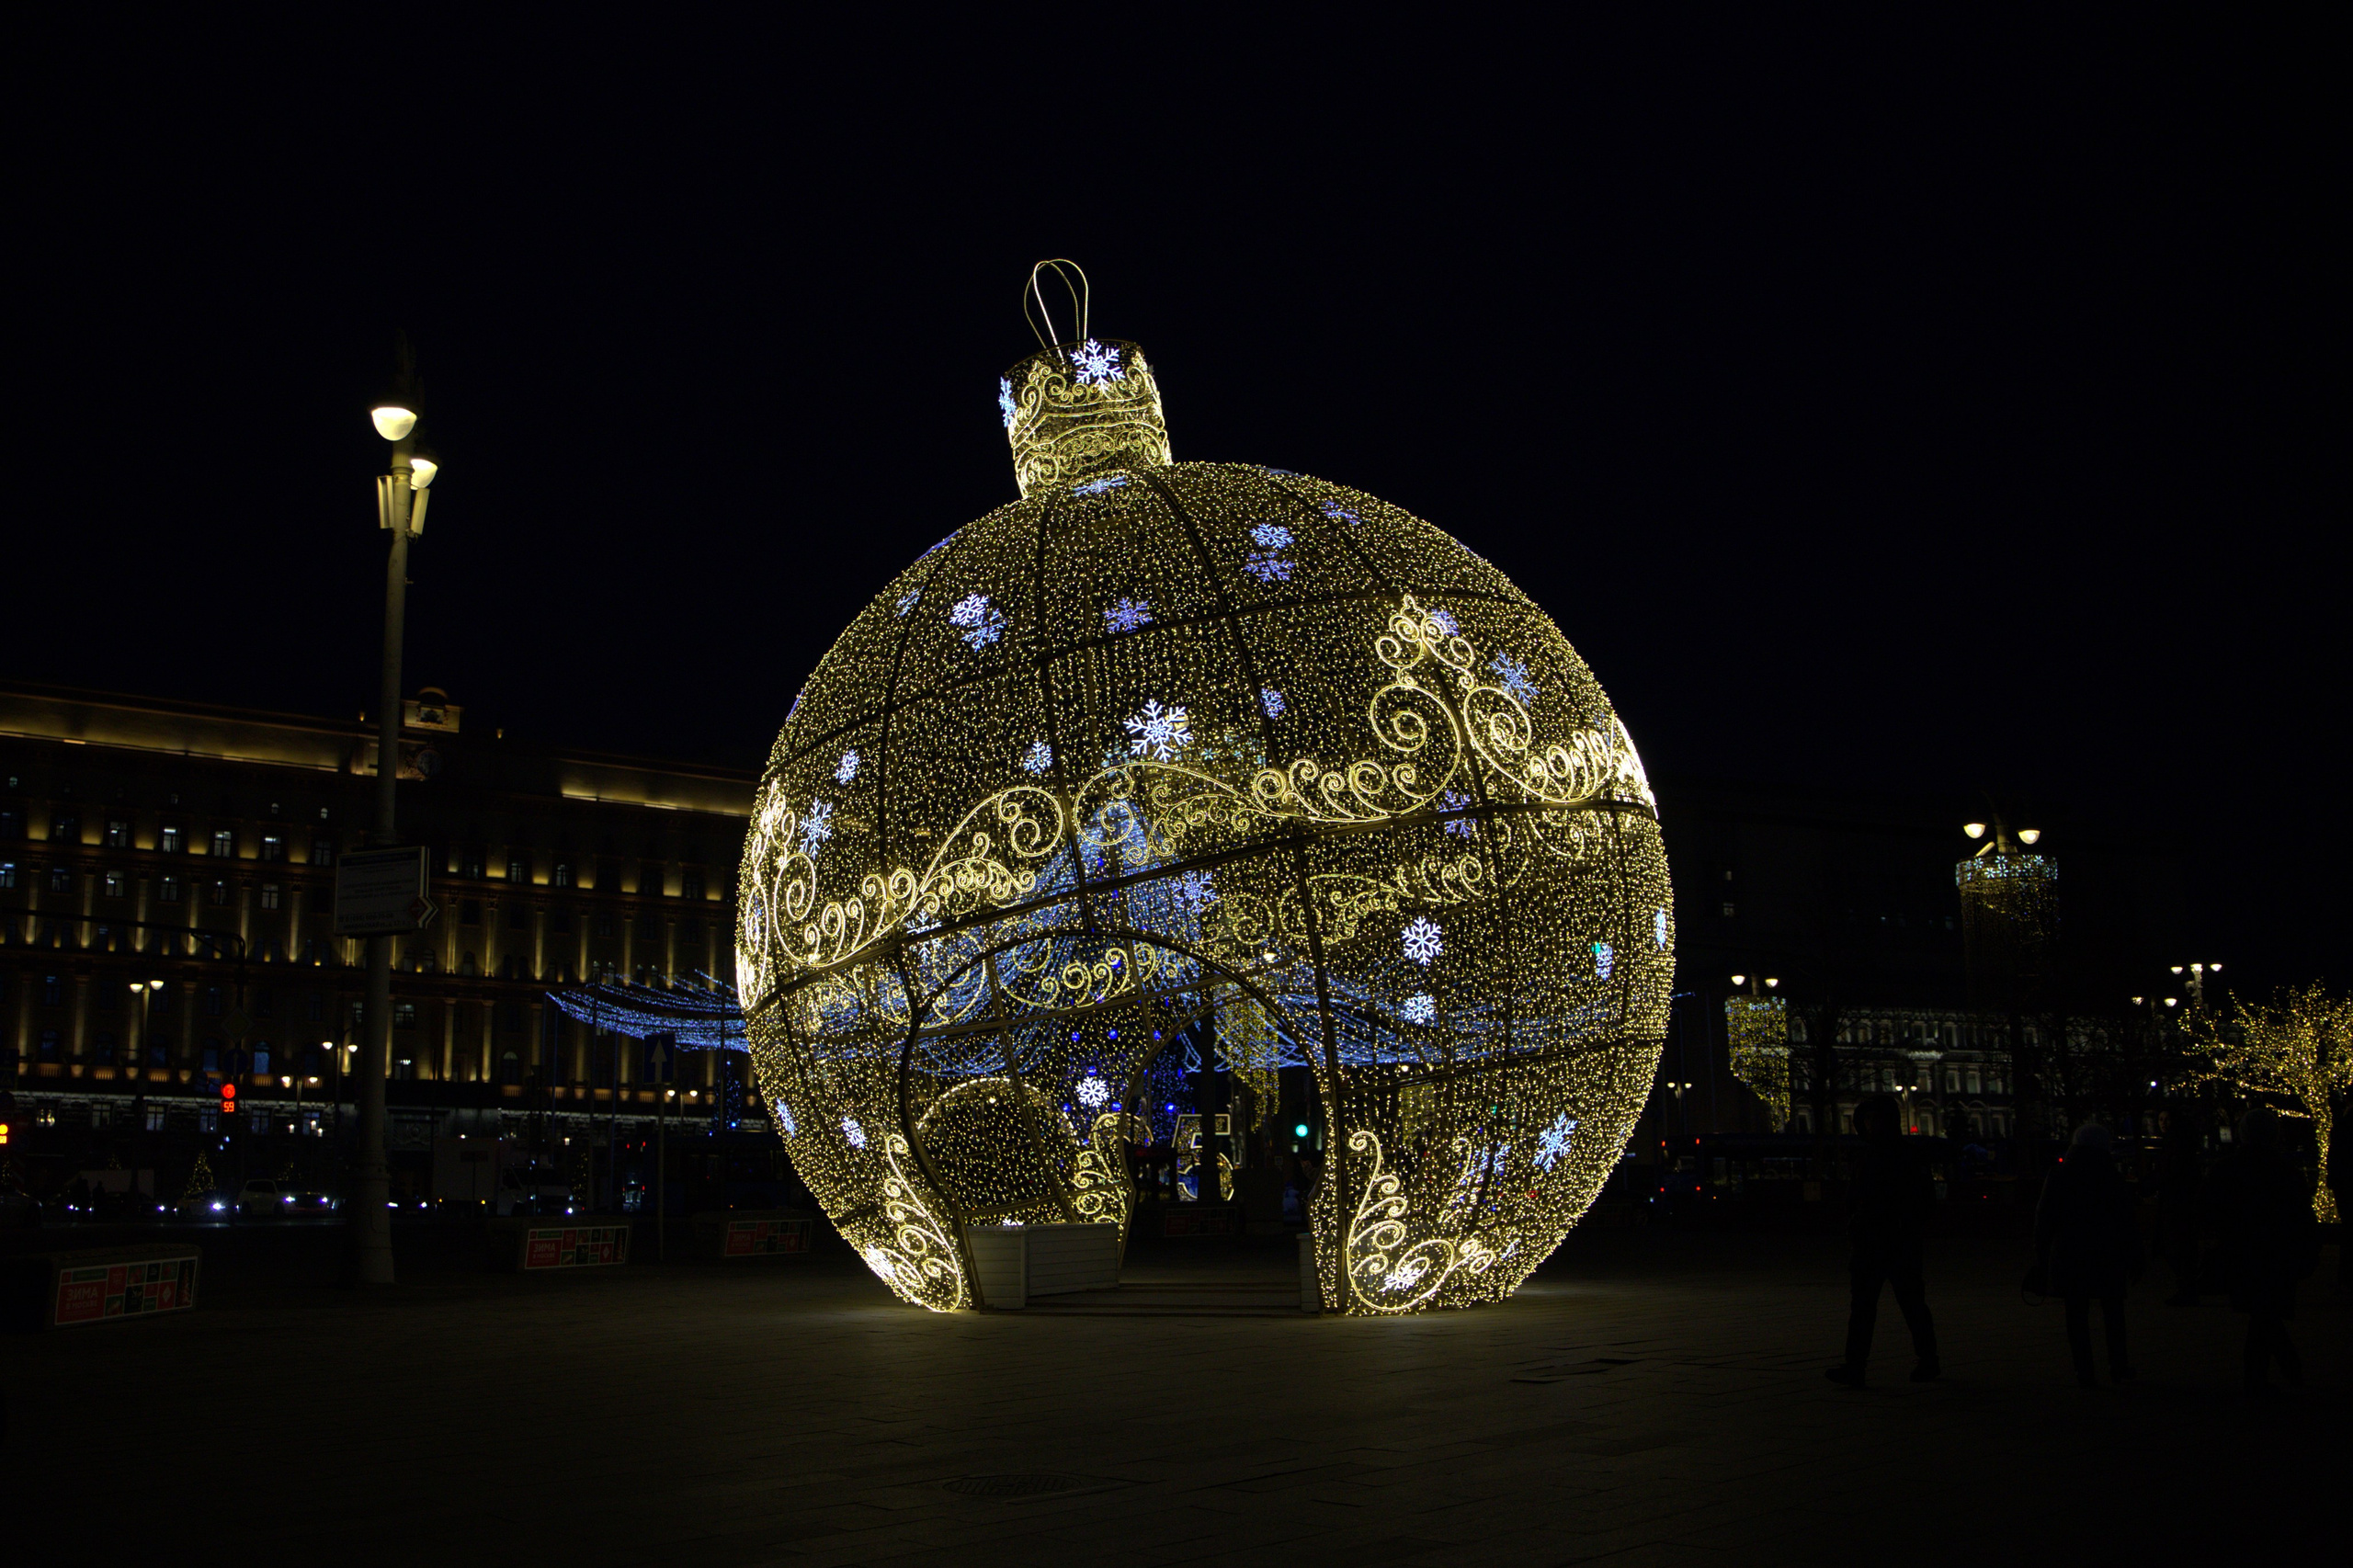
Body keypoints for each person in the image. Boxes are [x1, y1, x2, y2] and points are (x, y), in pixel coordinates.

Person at [1825, 1094, 1938, 1388]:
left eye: (1872, 1120)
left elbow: (1858, 1199)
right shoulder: (1902, 1155)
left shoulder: (1877, 1157)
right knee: (1900, 1304)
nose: (1868, 1125)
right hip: (1887, 1242)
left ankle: (1859, 1366)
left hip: (1884, 1241)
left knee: (1881, 1306)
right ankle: (1924, 1360)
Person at [2213, 1107, 2319, 1395]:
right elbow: (2302, 1218)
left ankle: (2269, 1374)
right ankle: (2279, 1371)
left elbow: (2209, 1210)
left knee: (2262, 1314)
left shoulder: (2227, 1169)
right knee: (2266, 1314)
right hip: (2277, 1252)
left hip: (2242, 1251)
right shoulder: (2286, 1172)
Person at [2034, 1122, 2140, 1388]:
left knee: (2076, 1314)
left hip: (2071, 1252)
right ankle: (2118, 1364)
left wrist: (2042, 1254)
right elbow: (2127, 1220)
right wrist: (2134, 1255)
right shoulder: (2112, 1176)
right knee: (2113, 1311)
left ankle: (2084, 1369)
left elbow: (2044, 1217)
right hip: (2108, 1252)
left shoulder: (2060, 1174)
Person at [2154, 1115, 2204, 1305]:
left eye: (2166, 1120)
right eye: (2160, 1120)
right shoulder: (2182, 1147)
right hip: (2181, 1204)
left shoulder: (2174, 1149)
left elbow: (2168, 1174)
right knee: (2182, 1248)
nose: (2163, 1123)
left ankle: (2187, 1288)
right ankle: (2188, 1287)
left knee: (2177, 1247)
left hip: (2177, 1205)